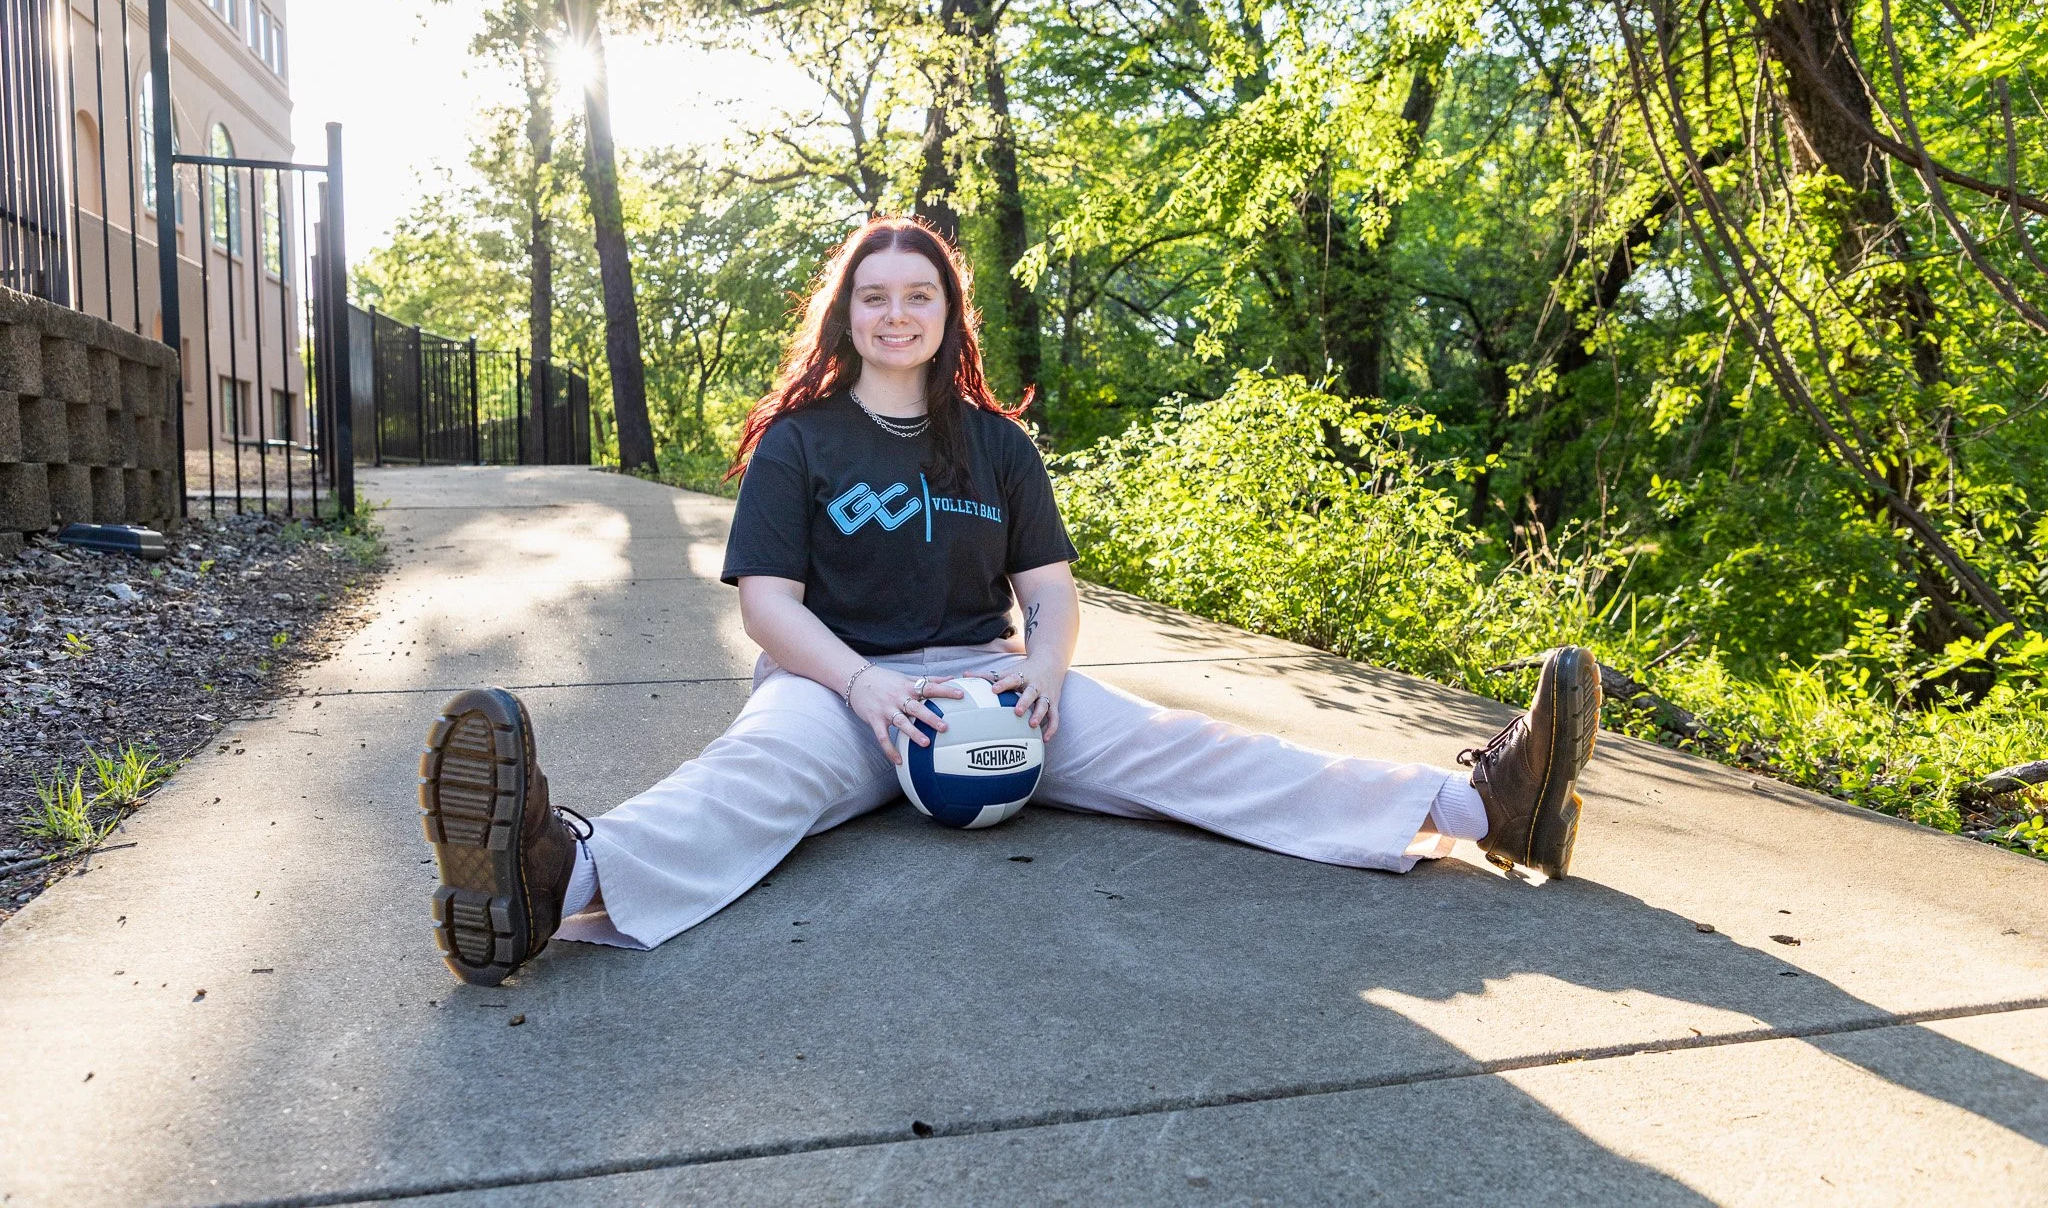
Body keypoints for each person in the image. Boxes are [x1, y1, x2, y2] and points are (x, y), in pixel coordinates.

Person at [416, 217, 1604, 986]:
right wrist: (865, 686)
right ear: (846, 316)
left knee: (1193, 755)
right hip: (839, 691)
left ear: (945, 314)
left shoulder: (995, 445)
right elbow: (768, 607)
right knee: (746, 789)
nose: (894, 315)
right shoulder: (801, 444)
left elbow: (1050, 589)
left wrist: (1041, 669)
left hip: (990, 692)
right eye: (872, 297)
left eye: (916, 296)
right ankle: (545, 881)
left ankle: (1480, 803)